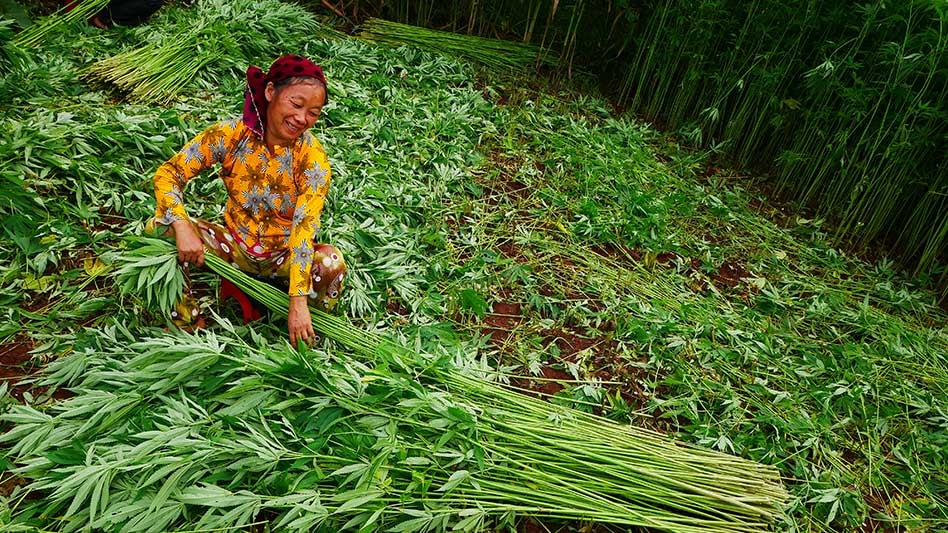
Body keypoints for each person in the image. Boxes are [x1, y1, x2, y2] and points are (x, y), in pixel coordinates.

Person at [148, 54, 346, 346]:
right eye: (296, 104)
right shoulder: (230, 135)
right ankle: (187, 321)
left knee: (331, 263)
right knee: (159, 228)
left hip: (282, 255)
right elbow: (169, 173)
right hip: (233, 245)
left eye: (313, 112)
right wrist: (182, 225)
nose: (302, 118)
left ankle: (306, 330)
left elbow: (305, 228)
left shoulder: (312, 159)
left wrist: (298, 301)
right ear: (270, 92)